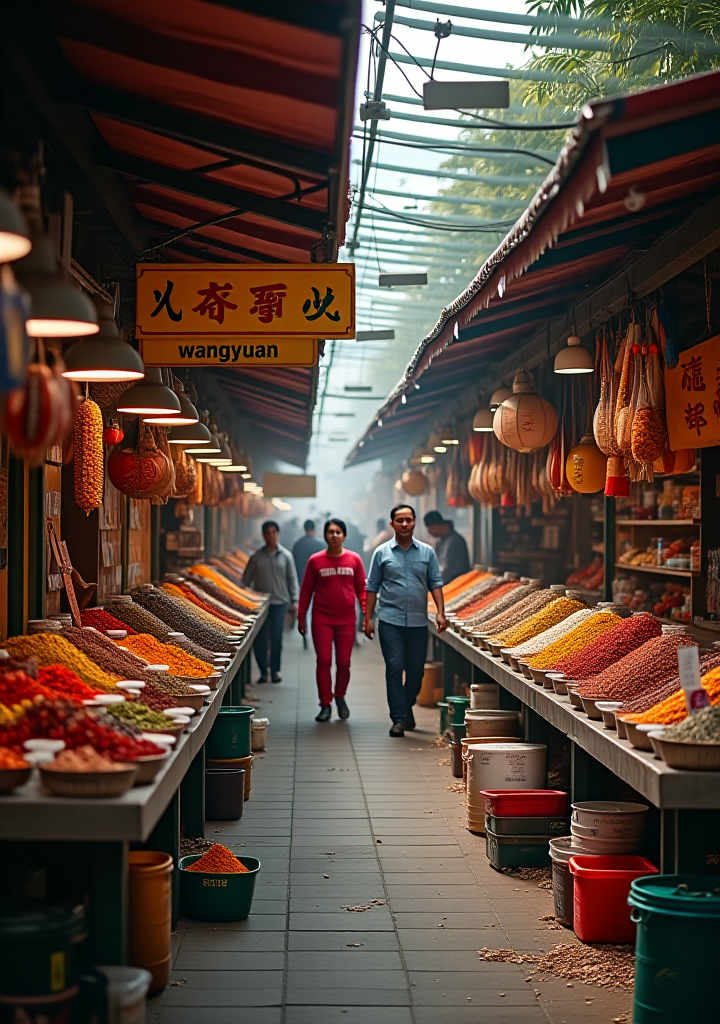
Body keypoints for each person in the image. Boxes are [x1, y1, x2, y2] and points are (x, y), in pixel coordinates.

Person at [364, 504, 447, 737]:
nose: (404, 524)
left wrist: (441, 612)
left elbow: (435, 583)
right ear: (392, 524)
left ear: (414, 522)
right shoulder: (381, 553)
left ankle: (406, 705)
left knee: (416, 672)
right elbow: (372, 586)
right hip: (390, 620)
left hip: (418, 622)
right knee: (394, 666)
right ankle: (398, 718)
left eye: (408, 520)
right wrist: (368, 617)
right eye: (399, 520)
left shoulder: (427, 552)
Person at [297, 518, 367, 723]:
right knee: (324, 661)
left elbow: (362, 589)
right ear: (325, 535)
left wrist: (366, 614)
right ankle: (325, 703)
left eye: (338, 532)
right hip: (322, 619)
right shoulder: (315, 561)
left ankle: (340, 697)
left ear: (344, 536)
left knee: (344, 663)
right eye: (330, 532)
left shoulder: (354, 560)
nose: (334, 535)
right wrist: (301, 617)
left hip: (347, 620)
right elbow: (306, 590)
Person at [243, 520, 298, 684]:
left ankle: (275, 671)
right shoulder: (255, 557)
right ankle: (263, 671)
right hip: (260, 605)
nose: (271, 535)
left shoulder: (286, 556)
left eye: (274, 532)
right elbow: (245, 580)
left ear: (278, 534)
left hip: (279, 603)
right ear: (263, 535)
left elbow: (292, 579)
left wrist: (294, 600)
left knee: (276, 639)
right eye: (268, 532)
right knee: (259, 640)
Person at [292, 520, 324, 649]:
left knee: (304, 609)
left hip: (301, 581)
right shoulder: (320, 544)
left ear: (304, 529)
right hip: (318, 583)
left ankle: (304, 635)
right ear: (314, 529)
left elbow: (293, 565)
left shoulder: (297, 545)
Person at [423, 510, 471, 584]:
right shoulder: (440, 542)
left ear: (438, 525)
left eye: (431, 529)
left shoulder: (455, 541)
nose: (431, 533)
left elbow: (449, 571)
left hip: (457, 584)